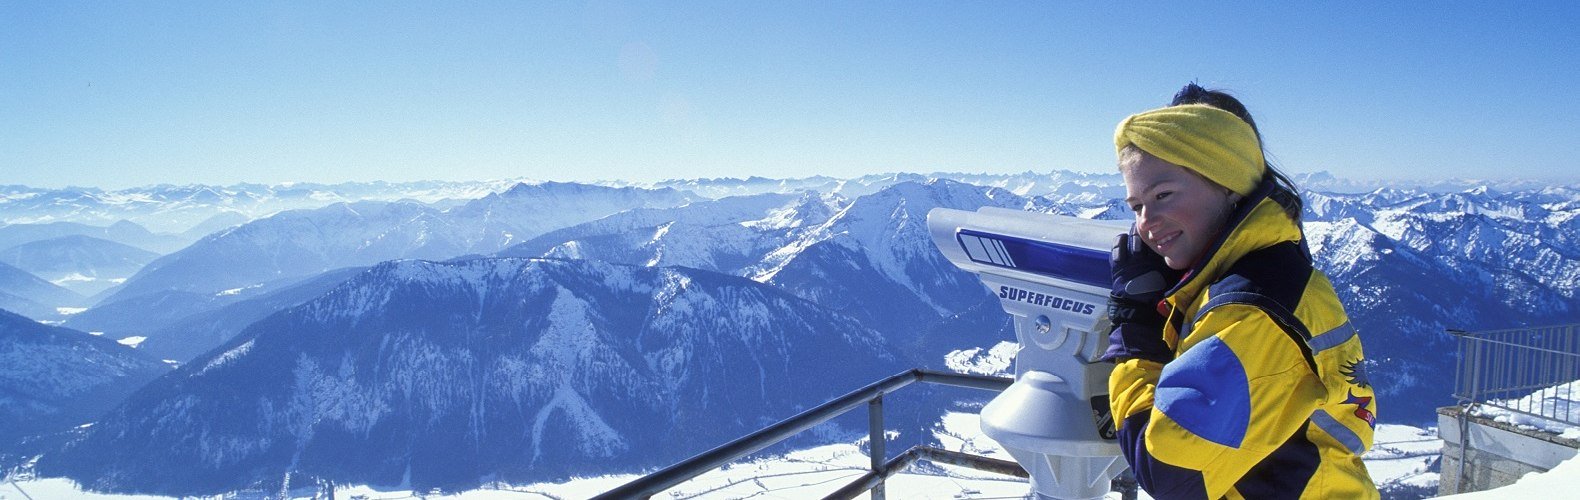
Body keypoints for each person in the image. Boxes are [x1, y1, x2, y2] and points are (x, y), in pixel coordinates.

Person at [1101, 84, 1379, 499]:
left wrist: (1136, 333)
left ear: (1227, 183)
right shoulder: (1264, 267)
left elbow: (1170, 474)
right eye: (1137, 206)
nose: (1146, 223)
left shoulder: (1250, 311)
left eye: (1163, 195)